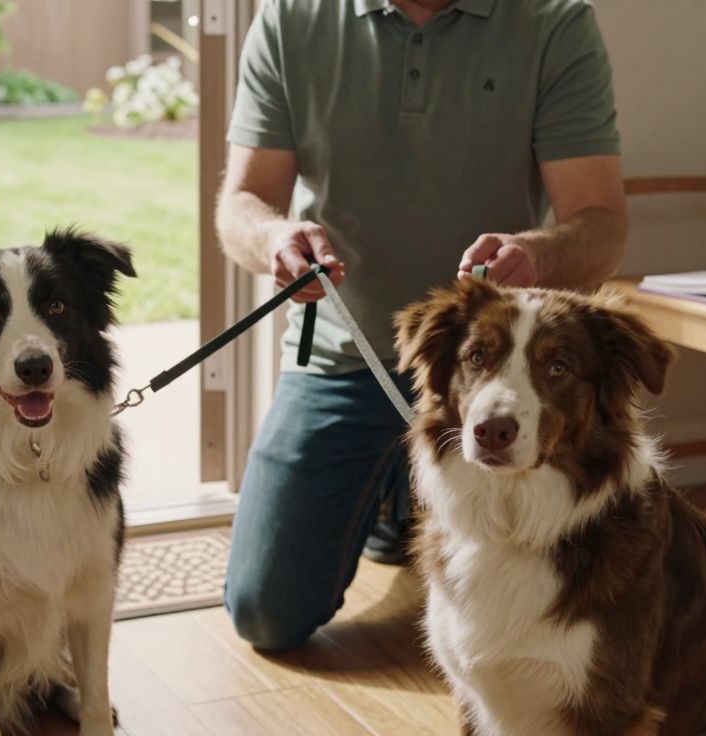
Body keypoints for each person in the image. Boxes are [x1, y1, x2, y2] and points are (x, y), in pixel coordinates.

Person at [215, 0, 628, 651]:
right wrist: (273, 239)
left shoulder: (554, 20)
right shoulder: (291, 16)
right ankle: (396, 500)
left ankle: (403, 497)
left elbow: (603, 225)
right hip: (342, 361)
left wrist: (538, 254)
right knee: (265, 615)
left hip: (494, 375)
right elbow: (242, 201)